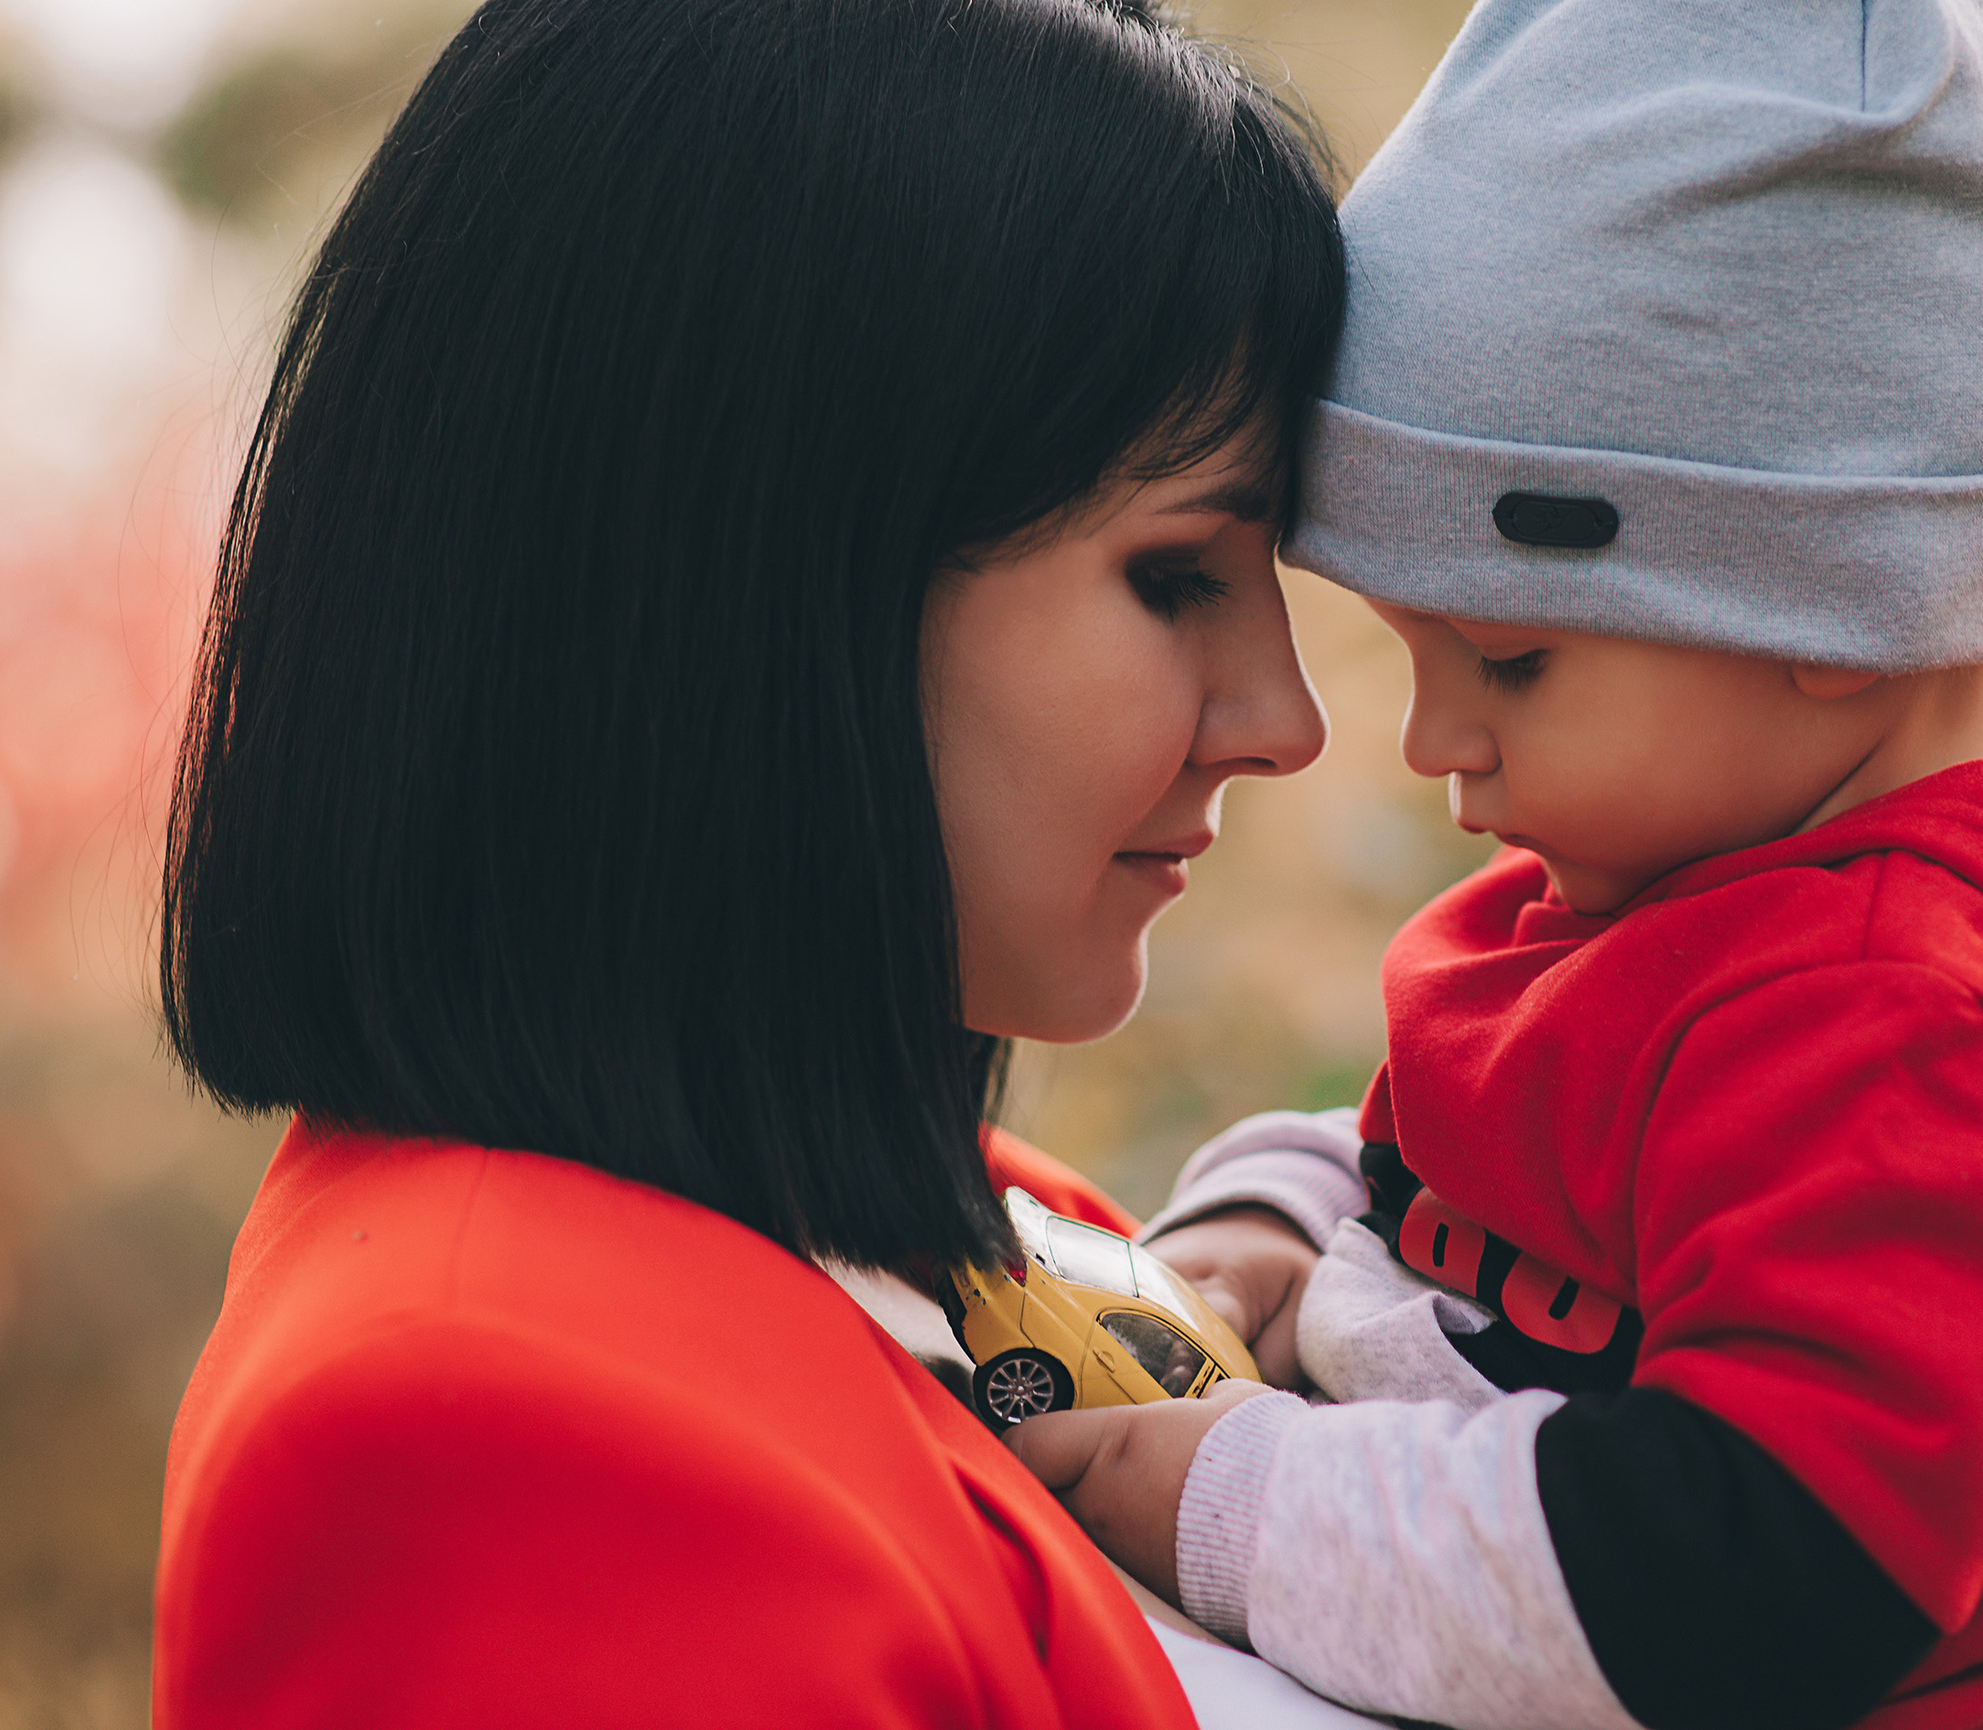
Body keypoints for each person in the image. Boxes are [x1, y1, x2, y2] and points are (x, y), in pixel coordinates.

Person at [1006, 2, 1983, 1728]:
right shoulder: (1704, 888)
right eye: (1417, 654)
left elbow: (1726, 1582)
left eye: (1510, 662)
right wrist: (1274, 1225)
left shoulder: (1921, 1045)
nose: (1432, 740)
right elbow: (1493, 1180)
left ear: (1832, 611)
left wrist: (1225, 1497)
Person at [149, 0, 1357, 1723]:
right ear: (764, 581)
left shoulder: (978, 1238)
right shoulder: (496, 1432)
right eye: (1176, 577)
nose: (1286, 719)